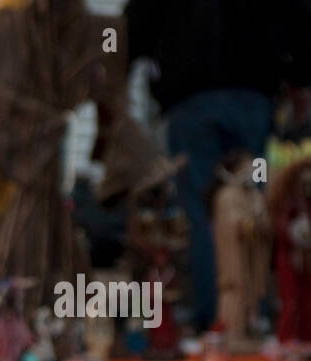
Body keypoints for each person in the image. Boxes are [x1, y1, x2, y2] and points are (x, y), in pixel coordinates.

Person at [126, 0, 311, 335]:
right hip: (253, 98)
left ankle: (216, 319)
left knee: (200, 211)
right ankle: (251, 314)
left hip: (191, 101)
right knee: (253, 203)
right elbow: (296, 14)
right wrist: (298, 76)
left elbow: (138, 19)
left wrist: (127, 67)